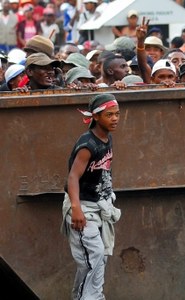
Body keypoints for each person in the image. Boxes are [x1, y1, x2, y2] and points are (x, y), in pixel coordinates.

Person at [61, 93, 121, 300]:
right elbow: (72, 177)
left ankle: (83, 297)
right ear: (96, 117)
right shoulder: (88, 145)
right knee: (93, 257)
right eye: (109, 115)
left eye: (117, 114)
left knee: (96, 258)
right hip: (82, 207)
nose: (114, 118)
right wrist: (76, 209)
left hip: (98, 205)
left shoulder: (107, 138)